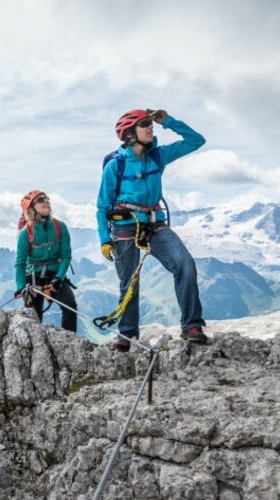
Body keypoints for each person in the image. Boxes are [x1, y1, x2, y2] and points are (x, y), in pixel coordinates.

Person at [97, 108, 207, 350]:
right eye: (145, 123)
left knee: (184, 264)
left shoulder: (158, 156)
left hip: (154, 224)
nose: (151, 127)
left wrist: (168, 121)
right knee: (129, 283)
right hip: (125, 228)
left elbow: (196, 141)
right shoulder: (116, 165)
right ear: (129, 134)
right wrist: (105, 239)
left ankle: (191, 326)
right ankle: (127, 335)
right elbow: (103, 205)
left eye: (150, 123)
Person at [14, 189, 77, 332]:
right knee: (34, 316)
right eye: (41, 200)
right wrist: (21, 287)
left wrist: (59, 278)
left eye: (47, 198)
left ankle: (70, 340)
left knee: (70, 306)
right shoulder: (25, 233)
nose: (46, 201)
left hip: (55, 275)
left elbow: (66, 256)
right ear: (31, 208)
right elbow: (20, 263)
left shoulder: (60, 227)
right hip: (33, 278)